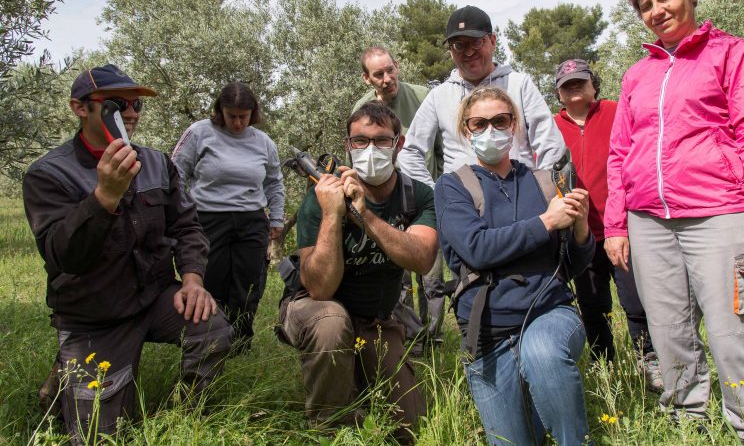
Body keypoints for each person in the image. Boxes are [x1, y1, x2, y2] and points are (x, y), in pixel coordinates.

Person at [606, 0, 744, 443]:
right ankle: (687, 428)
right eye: (645, 5)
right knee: (668, 336)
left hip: (721, 214)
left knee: (734, 336)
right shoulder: (636, 75)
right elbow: (621, 152)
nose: (656, 11)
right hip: (649, 221)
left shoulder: (733, 53)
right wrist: (617, 225)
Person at [22, 64, 232, 440]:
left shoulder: (155, 161)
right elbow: (64, 256)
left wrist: (193, 280)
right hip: (95, 313)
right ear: (80, 108)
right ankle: (62, 386)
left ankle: (183, 416)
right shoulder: (48, 174)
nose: (132, 113)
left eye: (136, 104)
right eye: (117, 104)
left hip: (150, 297)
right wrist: (104, 196)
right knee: (99, 437)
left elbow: (186, 227)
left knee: (212, 328)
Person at [434, 87, 594, 445]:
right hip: (488, 334)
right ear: (466, 129)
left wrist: (581, 229)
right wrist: (546, 223)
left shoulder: (543, 181)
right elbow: (476, 249)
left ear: (514, 125)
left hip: (547, 312)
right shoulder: (452, 186)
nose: (490, 129)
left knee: (543, 353)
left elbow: (570, 266)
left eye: (500, 120)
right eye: (480, 123)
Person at [278, 101, 437, 442]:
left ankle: (354, 382)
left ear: (399, 144)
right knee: (332, 321)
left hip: (375, 319)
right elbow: (319, 287)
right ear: (348, 145)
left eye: (381, 141)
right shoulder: (320, 196)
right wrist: (334, 214)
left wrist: (364, 215)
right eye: (360, 141)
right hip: (315, 309)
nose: (370, 149)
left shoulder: (417, 195)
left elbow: (422, 259)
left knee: (413, 428)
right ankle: (329, 429)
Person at [553, 58, 663, 390]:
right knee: (592, 304)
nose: (574, 89)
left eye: (580, 82)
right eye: (566, 84)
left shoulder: (616, 112)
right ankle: (606, 367)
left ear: (593, 85)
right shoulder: (550, 126)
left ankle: (650, 361)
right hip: (580, 234)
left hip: (622, 229)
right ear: (558, 92)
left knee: (635, 300)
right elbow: (546, 169)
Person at [398, 5, 566, 188]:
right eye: (459, 45)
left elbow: (550, 144)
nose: (469, 52)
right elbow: (409, 151)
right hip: (463, 204)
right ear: (450, 51)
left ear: (493, 41)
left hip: (520, 198)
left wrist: (545, 191)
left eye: (476, 42)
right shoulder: (438, 96)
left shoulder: (520, 84)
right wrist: (435, 195)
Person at [172, 82, 285, 354]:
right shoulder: (200, 133)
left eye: (243, 116)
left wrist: (277, 218)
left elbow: (274, 183)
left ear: (252, 113)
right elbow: (175, 173)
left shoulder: (263, 142)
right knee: (212, 283)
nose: (236, 122)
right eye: (231, 115)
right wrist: (180, 213)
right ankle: (209, 343)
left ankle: (240, 344)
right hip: (208, 219)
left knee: (248, 285)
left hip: (251, 221)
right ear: (219, 111)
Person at [353, 46, 446, 346]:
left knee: (431, 277)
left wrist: (441, 188)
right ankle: (411, 339)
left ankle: (434, 336)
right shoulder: (363, 109)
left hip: (424, 198)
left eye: (390, 69)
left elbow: (441, 149)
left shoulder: (422, 96)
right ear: (367, 79)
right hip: (387, 201)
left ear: (397, 66)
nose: (387, 78)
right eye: (378, 74)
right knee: (398, 277)